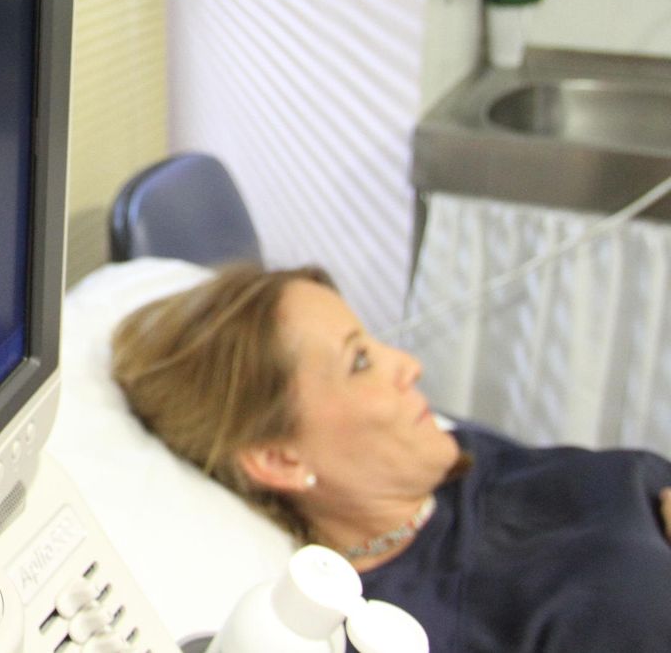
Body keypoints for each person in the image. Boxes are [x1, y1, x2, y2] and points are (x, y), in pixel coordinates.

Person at [110, 264, 671, 651]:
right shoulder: (397, 629)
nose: (408, 365)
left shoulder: (462, 462)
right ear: (280, 458)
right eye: (360, 361)